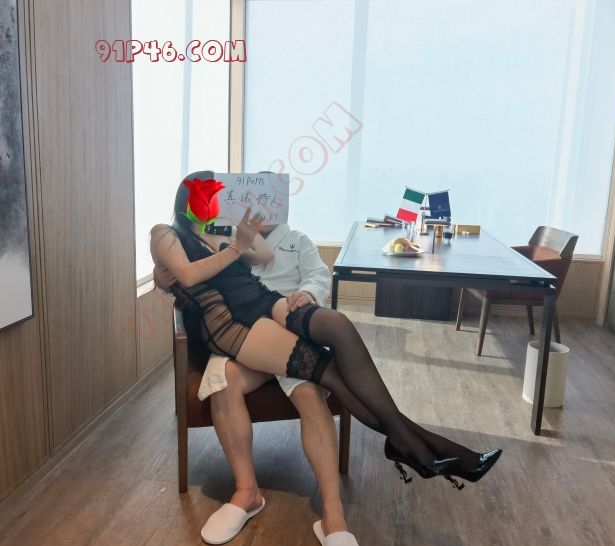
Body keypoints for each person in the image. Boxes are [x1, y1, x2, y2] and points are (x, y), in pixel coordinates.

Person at [151, 170, 501, 495]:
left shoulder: (223, 233)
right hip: (238, 323)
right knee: (330, 371)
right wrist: (231, 249)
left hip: (266, 302)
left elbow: (265, 255)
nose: (219, 202)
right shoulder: (165, 233)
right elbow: (188, 276)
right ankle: (419, 445)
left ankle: (409, 442)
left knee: (338, 324)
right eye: (214, 195)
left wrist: (240, 233)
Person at [154, 221, 365, 546]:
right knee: (222, 380)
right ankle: (247, 491)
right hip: (237, 333)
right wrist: (165, 278)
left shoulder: (296, 240)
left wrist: (307, 293)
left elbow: (318, 274)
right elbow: (190, 274)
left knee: (308, 390)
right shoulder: (219, 235)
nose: (260, 206)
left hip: (286, 326)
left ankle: (333, 515)